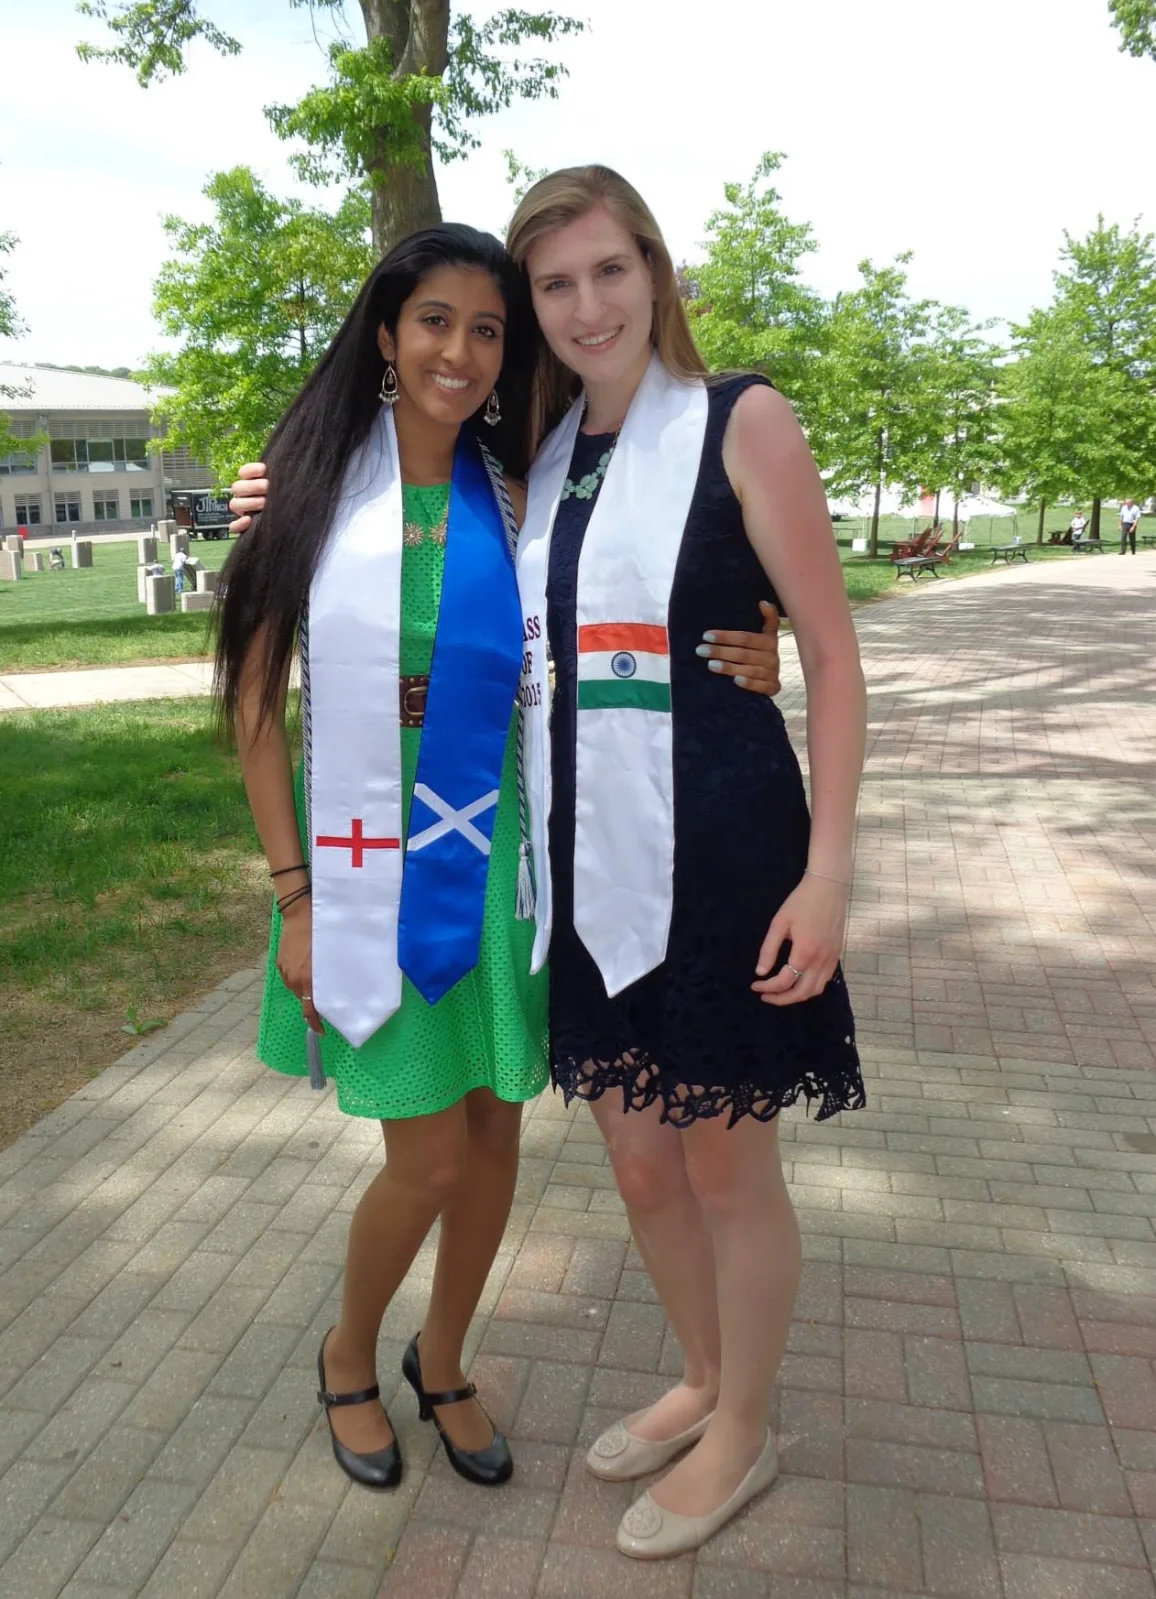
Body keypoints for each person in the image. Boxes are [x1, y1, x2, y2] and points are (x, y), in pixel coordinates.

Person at [220, 223, 784, 1501]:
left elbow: (634, 597)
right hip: (363, 876)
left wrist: (756, 649)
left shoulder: (518, 489)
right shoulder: (306, 500)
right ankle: (348, 1353)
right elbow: (257, 714)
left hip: (493, 873)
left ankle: (447, 1355)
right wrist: (295, 898)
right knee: (421, 1160)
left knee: (493, 1147)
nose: (461, 353)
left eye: (487, 330)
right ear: (384, 333)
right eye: (434, 323)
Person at [505, 165, 865, 1561]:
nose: (587, 305)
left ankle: (749, 1425)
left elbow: (829, 653)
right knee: (641, 1166)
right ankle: (709, 1379)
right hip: (585, 866)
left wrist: (827, 870)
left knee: (725, 1169)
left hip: (723, 856)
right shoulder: (540, 459)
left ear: (654, 271)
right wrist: (263, 489)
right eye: (556, 283)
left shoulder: (740, 419)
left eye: (608, 270)